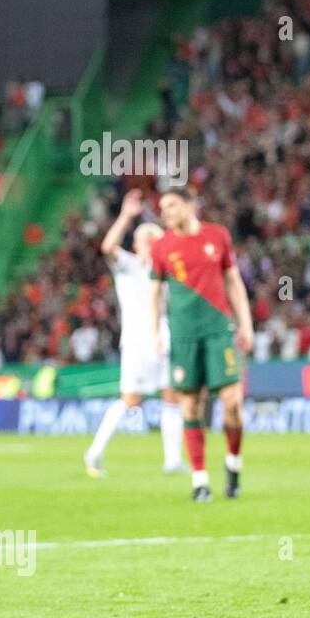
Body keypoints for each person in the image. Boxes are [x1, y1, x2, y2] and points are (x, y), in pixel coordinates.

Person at [149, 188, 254, 502]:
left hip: (219, 331)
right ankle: (200, 481)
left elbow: (233, 281)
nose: (165, 212)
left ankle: (233, 465)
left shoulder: (218, 236)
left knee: (232, 403)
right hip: (183, 336)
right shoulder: (162, 246)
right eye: (162, 207)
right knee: (191, 405)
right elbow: (154, 295)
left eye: (171, 205)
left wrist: (245, 323)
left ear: (190, 205)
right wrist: (155, 331)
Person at [85, 189, 187, 477]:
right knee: (131, 400)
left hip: (163, 336)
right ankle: (94, 452)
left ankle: (172, 460)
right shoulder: (129, 266)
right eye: (146, 240)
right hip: (138, 341)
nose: (151, 244)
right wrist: (127, 216)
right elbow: (107, 248)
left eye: (155, 240)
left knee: (172, 395)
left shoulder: (166, 272)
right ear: (138, 243)